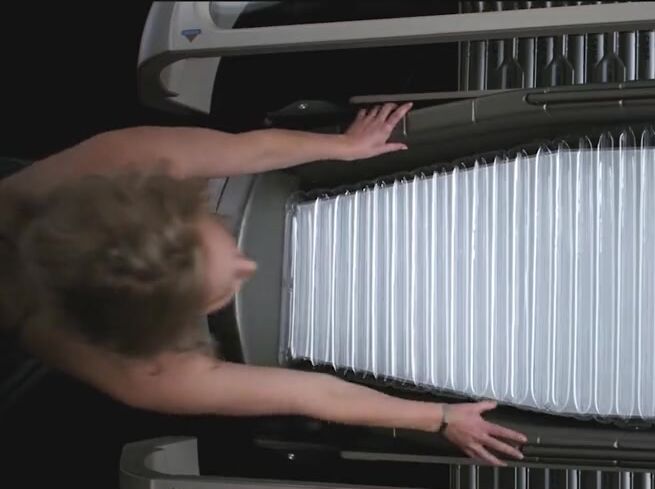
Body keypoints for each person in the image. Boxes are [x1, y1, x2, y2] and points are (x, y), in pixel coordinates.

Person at [0, 103, 526, 466]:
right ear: (168, 329)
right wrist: (439, 417)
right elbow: (310, 394)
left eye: (221, 239)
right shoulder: (151, 375)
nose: (248, 267)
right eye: (217, 293)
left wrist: (343, 146)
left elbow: (248, 150)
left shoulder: (123, 162)